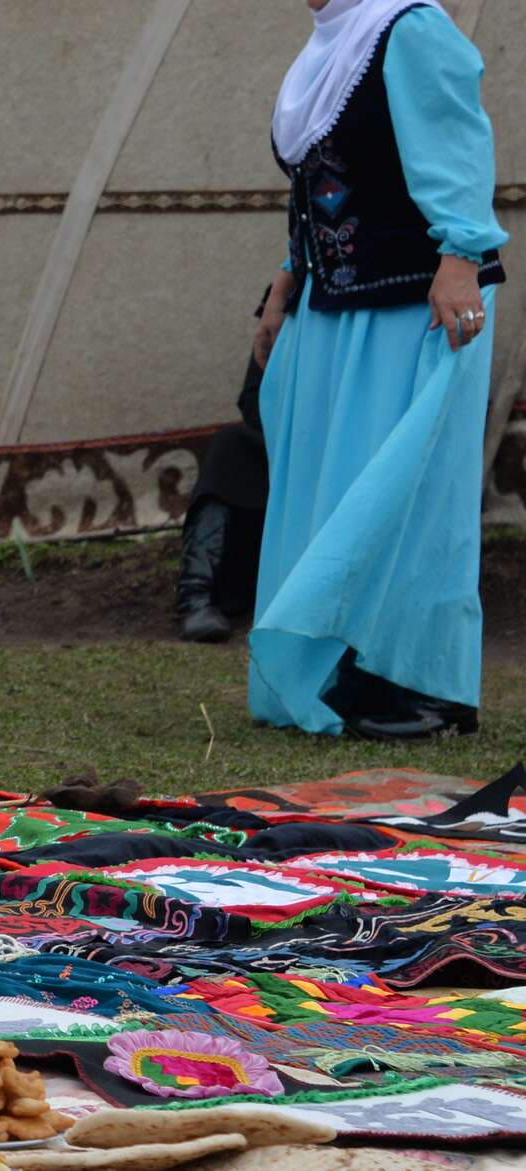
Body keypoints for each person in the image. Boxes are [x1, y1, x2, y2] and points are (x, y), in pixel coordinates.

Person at [250, 0, 504, 740]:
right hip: (337, 309)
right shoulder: (328, 48)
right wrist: (289, 276)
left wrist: (461, 255)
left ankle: (424, 684)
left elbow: (455, 141)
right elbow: (322, 187)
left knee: (409, 492)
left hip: (415, 304)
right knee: (339, 487)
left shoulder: (408, 28)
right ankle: (340, 667)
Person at [175, 289, 279, 644]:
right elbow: (251, 397)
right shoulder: (287, 302)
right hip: (286, 443)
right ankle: (196, 596)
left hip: (347, 446)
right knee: (230, 445)